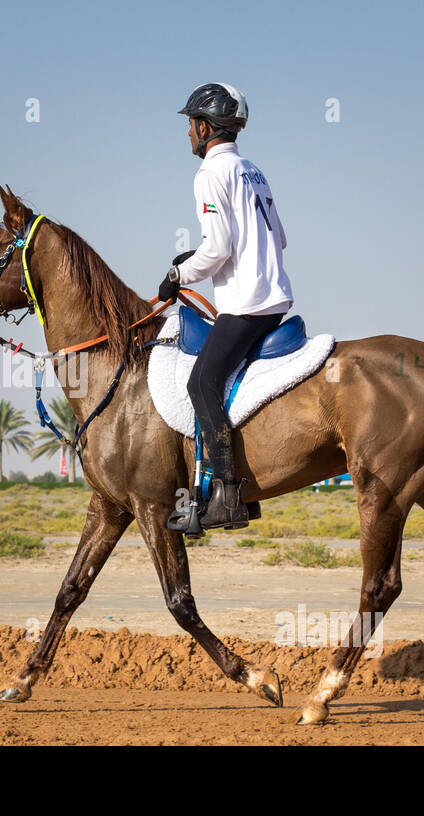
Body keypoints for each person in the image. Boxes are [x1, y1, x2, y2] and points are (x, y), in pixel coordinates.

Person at [159, 82, 293, 530]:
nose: (187, 135)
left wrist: (179, 275)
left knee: (202, 384)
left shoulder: (208, 175)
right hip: (274, 298)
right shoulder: (253, 171)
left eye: (189, 125)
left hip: (246, 304)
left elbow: (217, 250)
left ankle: (230, 499)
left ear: (203, 126)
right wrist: (196, 259)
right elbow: (279, 237)